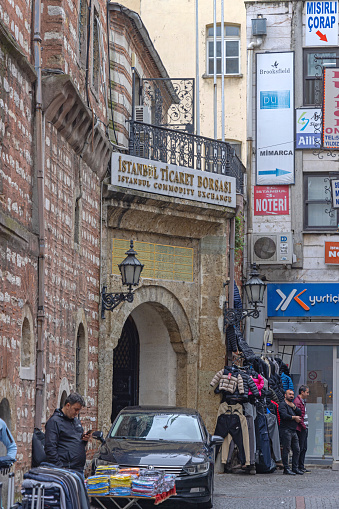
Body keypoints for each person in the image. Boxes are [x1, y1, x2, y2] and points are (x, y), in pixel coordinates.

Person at [45, 392, 91, 474]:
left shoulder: (76, 422)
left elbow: (76, 442)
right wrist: (60, 467)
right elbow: (50, 448)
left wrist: (84, 440)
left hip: (78, 468)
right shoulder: (54, 422)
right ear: (68, 406)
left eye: (79, 410)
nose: (77, 413)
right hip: (65, 469)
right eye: (75, 409)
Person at [278, 389, 303, 475]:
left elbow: (299, 412)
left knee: (297, 450)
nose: (291, 396)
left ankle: (295, 468)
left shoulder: (293, 405)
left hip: (293, 430)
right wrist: (294, 418)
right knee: (286, 449)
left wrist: (294, 407)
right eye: (290, 394)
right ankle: (286, 468)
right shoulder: (282, 404)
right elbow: (284, 416)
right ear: (285, 395)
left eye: (292, 394)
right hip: (286, 430)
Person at [294, 385, 310, 473]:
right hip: (301, 428)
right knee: (301, 447)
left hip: (304, 427)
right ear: (302, 392)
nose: (308, 394)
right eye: (307, 392)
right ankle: (299, 466)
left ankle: (301, 466)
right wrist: (303, 426)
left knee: (303, 448)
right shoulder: (298, 402)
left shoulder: (302, 401)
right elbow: (299, 416)